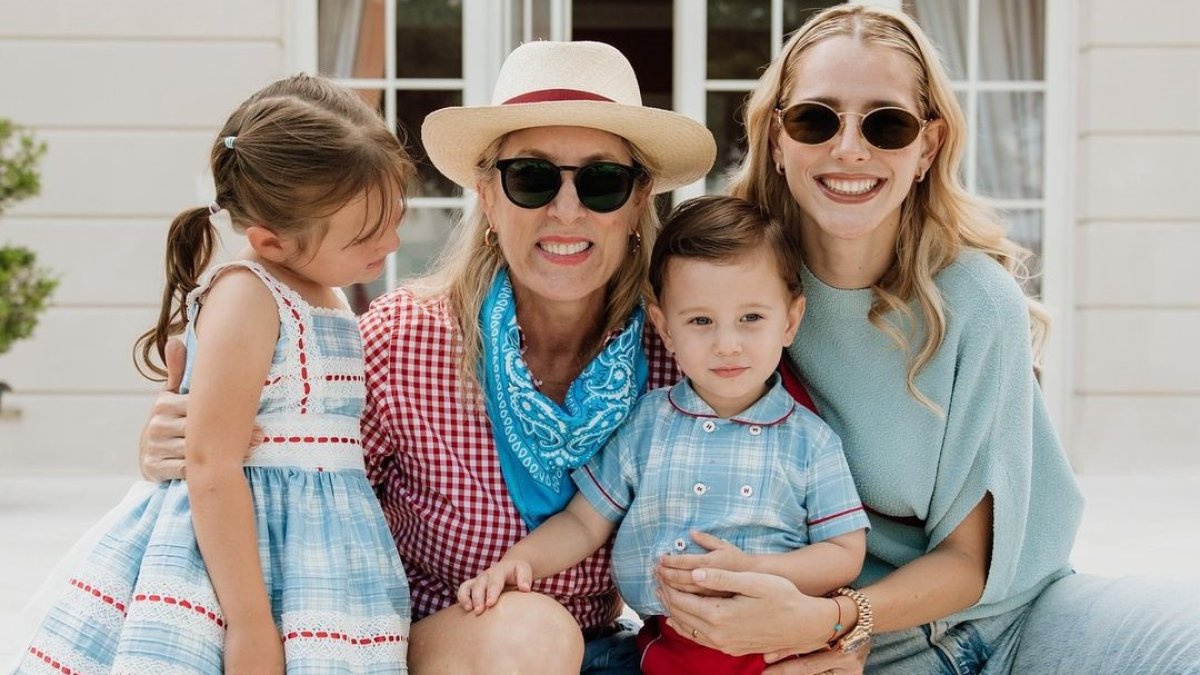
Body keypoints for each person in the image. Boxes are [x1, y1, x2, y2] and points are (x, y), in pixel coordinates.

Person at [138, 41, 717, 674]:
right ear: (488, 196)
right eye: (531, 177)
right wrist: (177, 442)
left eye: (604, 182)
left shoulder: (684, 353)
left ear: (638, 203)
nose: (566, 209)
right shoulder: (403, 337)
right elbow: (274, 473)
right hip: (433, 648)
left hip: (616, 647)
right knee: (530, 631)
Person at [655, 5, 1200, 674]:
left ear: (927, 148)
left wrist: (837, 618)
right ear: (776, 138)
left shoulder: (975, 300)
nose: (849, 148)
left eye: (887, 124)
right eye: (815, 119)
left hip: (1015, 620)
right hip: (851, 649)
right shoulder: (732, 293)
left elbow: (971, 562)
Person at [15, 74, 413, 674]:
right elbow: (211, 463)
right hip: (239, 566)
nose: (392, 240)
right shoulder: (248, 297)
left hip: (322, 562)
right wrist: (251, 625)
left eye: (395, 217)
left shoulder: (324, 291)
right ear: (271, 242)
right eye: (366, 234)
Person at [456, 195, 869, 675]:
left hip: (778, 646)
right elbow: (586, 522)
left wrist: (759, 569)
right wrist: (520, 562)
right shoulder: (647, 423)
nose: (727, 344)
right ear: (664, 329)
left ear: (790, 321)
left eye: (752, 318)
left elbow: (845, 552)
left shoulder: (810, 441)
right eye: (700, 321)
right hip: (667, 651)